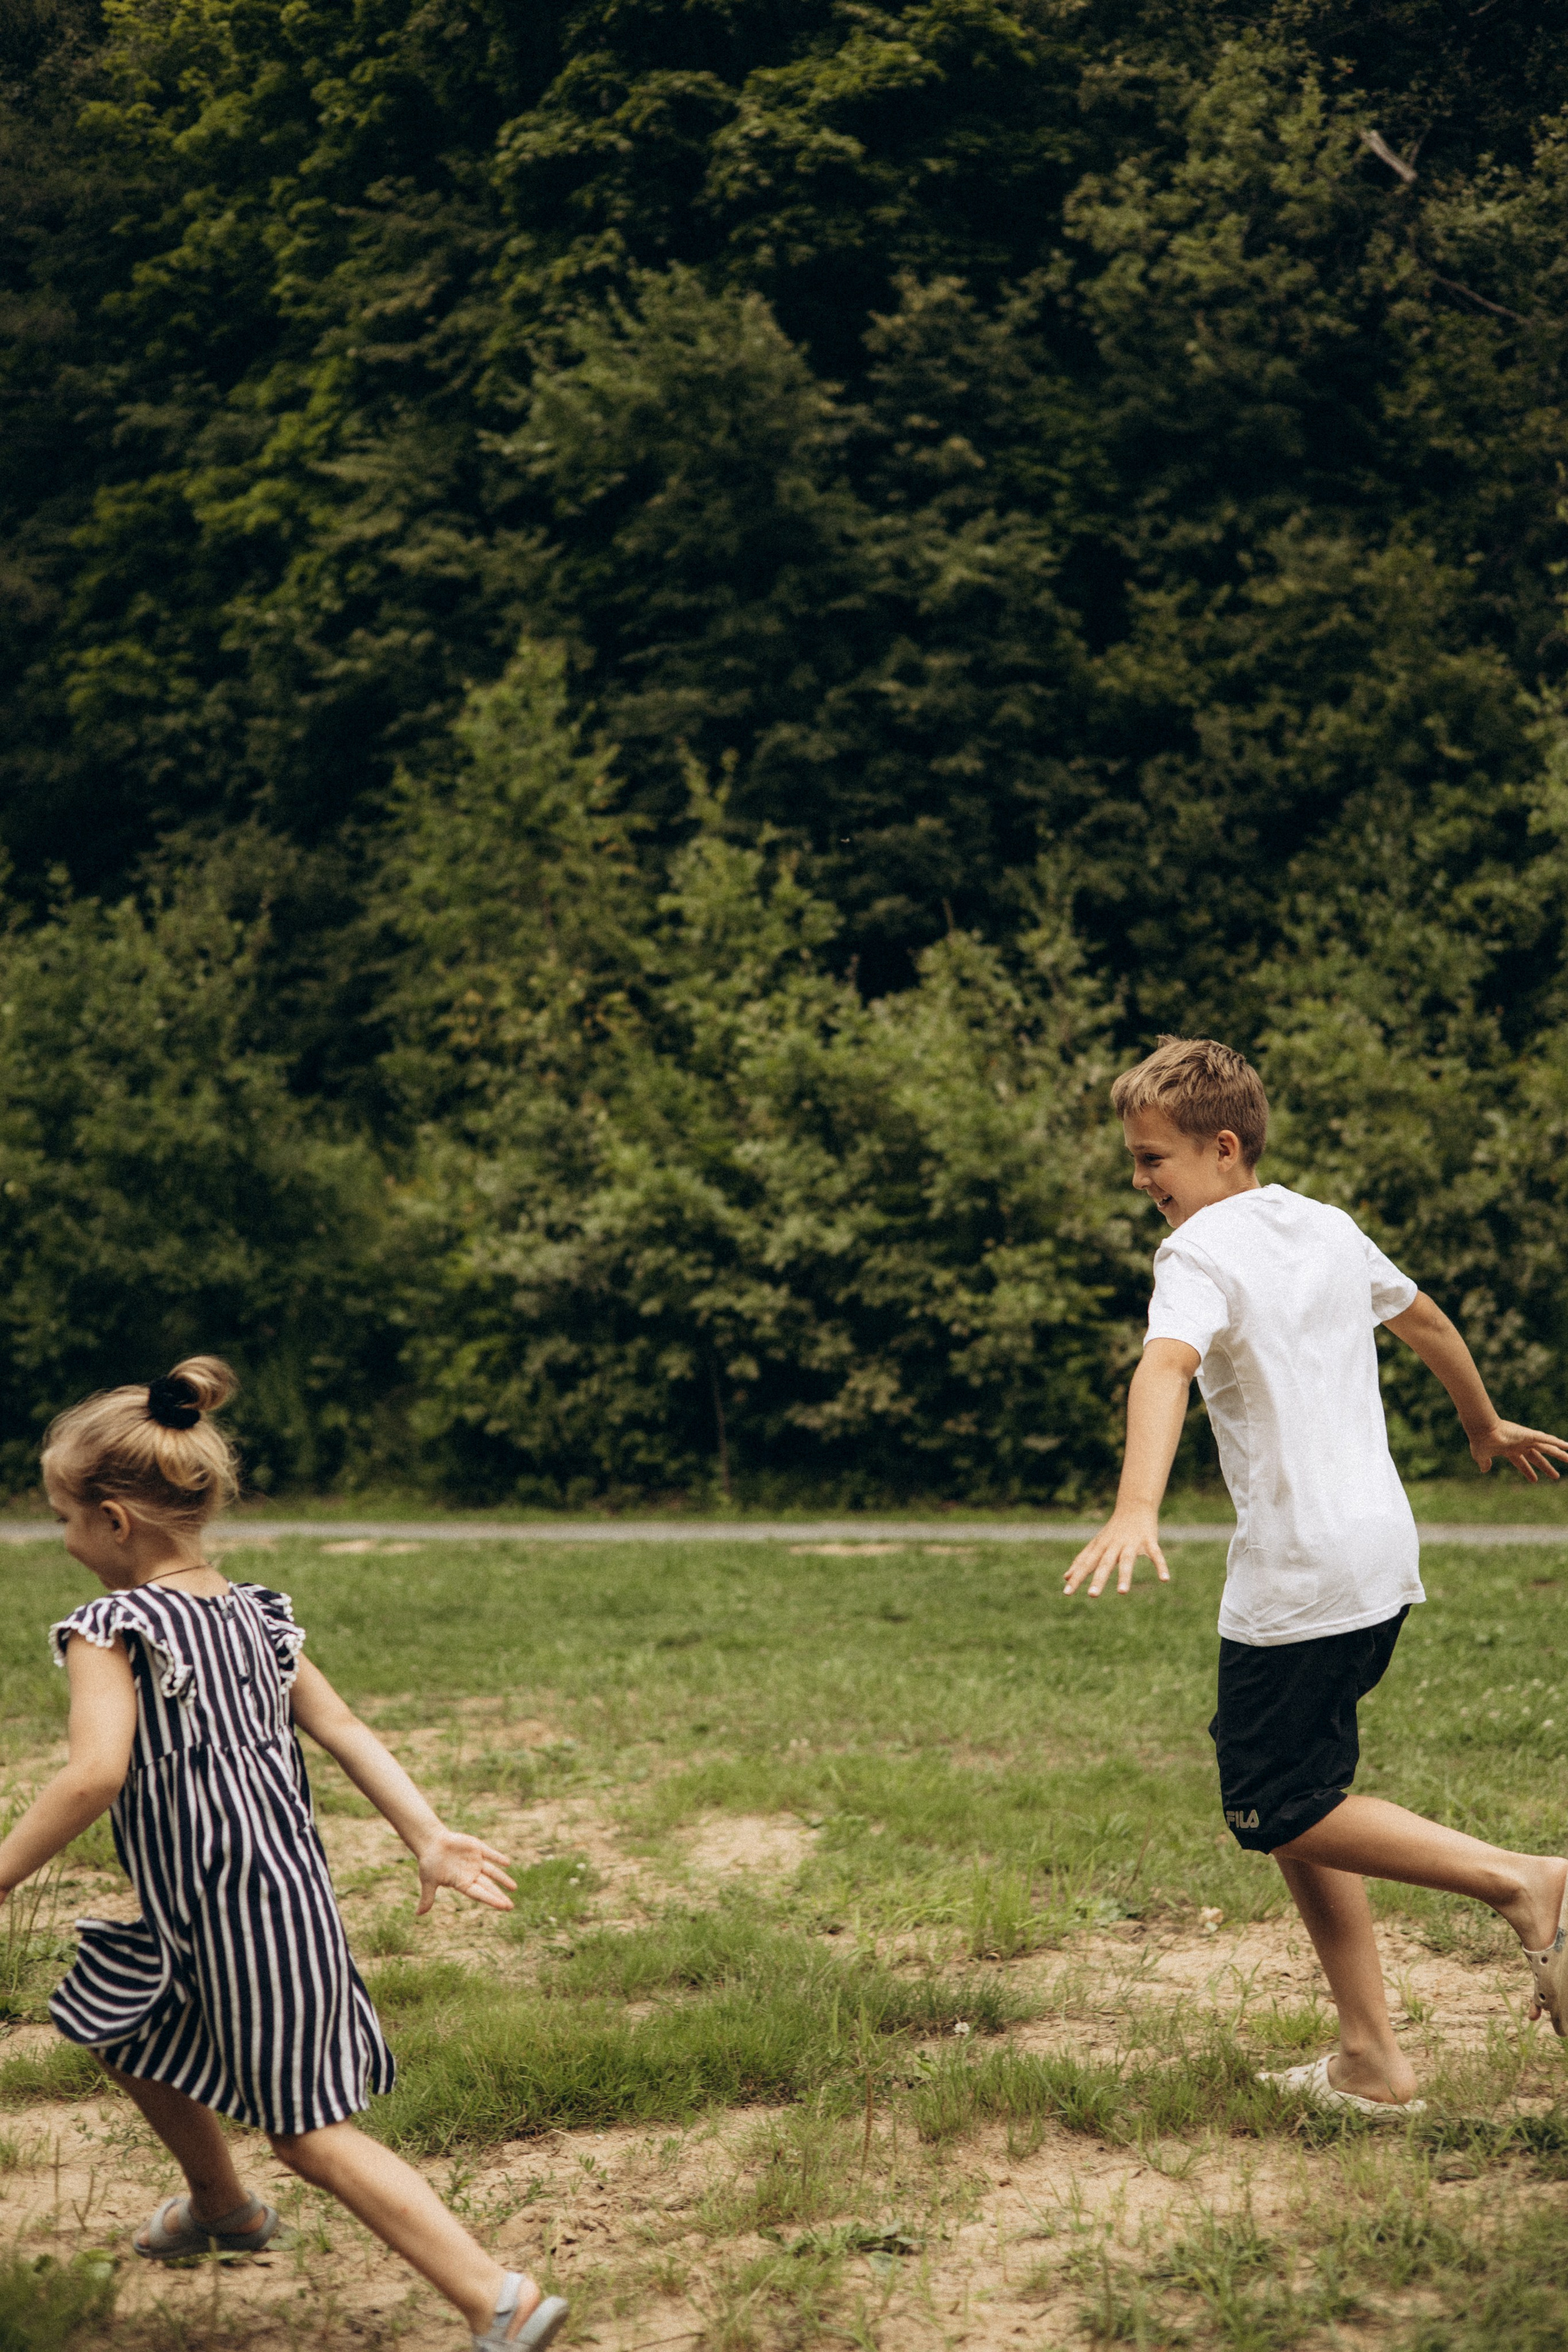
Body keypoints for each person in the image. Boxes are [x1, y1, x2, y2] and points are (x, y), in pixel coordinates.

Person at [0, 1357, 568, 2349]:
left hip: (231, 1915)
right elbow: (341, 1724)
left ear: (115, 1522)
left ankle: (496, 2298)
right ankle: (222, 2210)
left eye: (64, 1517)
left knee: (308, 2131)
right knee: (115, 2014)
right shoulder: (255, 1613)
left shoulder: (111, 1627)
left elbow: (94, 1777)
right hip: (248, 1900)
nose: (64, 1538)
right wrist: (425, 1834)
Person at [1065, 1036, 1568, 2115]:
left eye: (1153, 1159)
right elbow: (1424, 1319)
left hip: (1297, 1577)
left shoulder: (1199, 1255)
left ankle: (1524, 1879)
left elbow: (1164, 1368)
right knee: (1309, 1800)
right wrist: (1481, 1427)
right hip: (1380, 1560)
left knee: (1267, 1806)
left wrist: (1136, 1506)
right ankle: (1371, 2060)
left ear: (1224, 1147)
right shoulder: (1326, 1226)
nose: (1143, 1182)